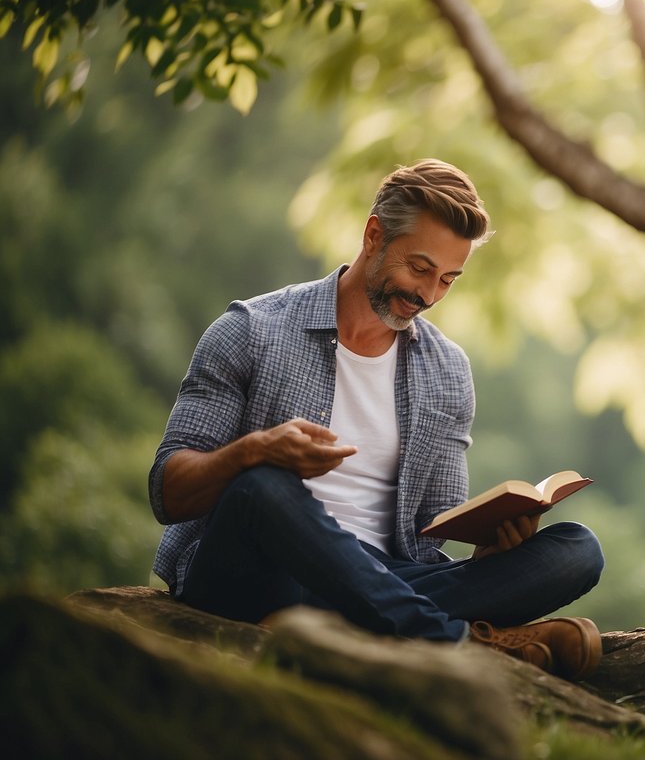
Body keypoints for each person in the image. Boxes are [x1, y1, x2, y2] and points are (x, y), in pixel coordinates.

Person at [148, 159, 605, 679]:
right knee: (262, 486)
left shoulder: (448, 371)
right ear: (373, 236)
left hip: (386, 578)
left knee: (577, 550)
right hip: (256, 571)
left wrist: (489, 548)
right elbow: (167, 493)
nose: (428, 295)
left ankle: (363, 624)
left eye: (448, 280)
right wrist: (253, 453)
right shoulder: (251, 331)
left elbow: (430, 539)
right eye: (419, 268)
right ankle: (459, 642)